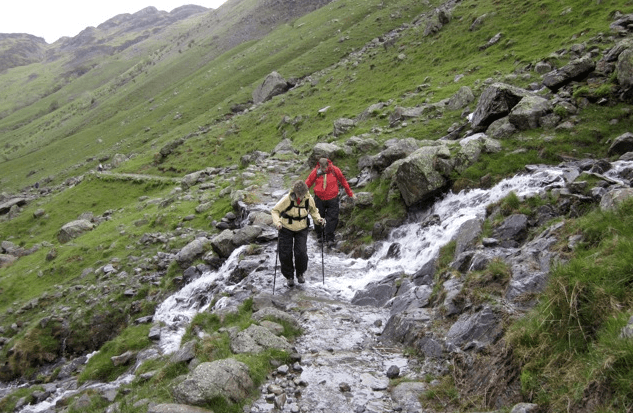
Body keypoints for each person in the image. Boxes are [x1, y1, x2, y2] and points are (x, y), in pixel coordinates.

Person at [271, 180, 325, 287]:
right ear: (294, 192)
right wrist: (277, 223)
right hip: (285, 228)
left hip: (302, 228)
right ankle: (289, 277)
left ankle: (300, 274)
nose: (300, 197)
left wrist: (318, 219)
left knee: (301, 252)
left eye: (302, 195)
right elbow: (275, 211)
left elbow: (314, 211)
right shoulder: (287, 199)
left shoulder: (308, 199)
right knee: (285, 253)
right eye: (298, 195)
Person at [305, 157, 355, 247]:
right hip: (319, 198)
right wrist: (301, 193)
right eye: (321, 167)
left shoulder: (334, 170)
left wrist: (350, 194)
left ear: (328, 165)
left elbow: (343, 181)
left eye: (324, 167)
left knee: (332, 218)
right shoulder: (316, 171)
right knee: (318, 217)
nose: (323, 169)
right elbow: (308, 182)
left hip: (333, 198)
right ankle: (320, 237)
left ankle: (330, 238)